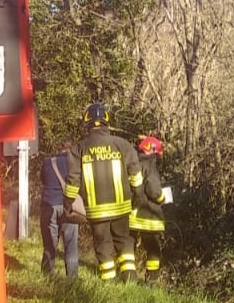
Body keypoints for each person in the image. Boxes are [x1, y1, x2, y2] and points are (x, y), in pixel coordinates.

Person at [63, 103, 155, 282]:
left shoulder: (78, 149)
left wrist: (68, 201)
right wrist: (138, 195)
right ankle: (130, 278)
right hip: (122, 207)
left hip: (97, 211)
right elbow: (135, 174)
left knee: (103, 244)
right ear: (107, 122)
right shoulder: (123, 145)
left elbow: (73, 181)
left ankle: (109, 281)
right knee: (124, 241)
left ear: (86, 122)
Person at [130, 134, 170, 281]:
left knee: (129, 247)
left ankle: (127, 277)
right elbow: (153, 190)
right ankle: (151, 280)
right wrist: (162, 198)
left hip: (132, 214)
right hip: (148, 215)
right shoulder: (150, 166)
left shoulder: (132, 164)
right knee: (153, 249)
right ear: (153, 152)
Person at [39, 142, 80, 279]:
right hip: (68, 206)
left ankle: (47, 276)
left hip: (49, 204)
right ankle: (72, 280)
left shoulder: (47, 162)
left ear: (58, 149)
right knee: (71, 245)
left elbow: (43, 180)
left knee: (49, 244)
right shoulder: (74, 163)